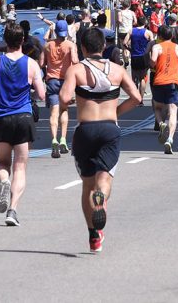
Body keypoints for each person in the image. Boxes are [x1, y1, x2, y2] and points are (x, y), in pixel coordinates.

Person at [59, 27, 142, 252]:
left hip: (85, 130)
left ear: (82, 47)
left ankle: (93, 235)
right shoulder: (117, 70)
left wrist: (76, 98)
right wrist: (115, 112)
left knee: (87, 184)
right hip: (109, 128)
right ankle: (101, 198)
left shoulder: (76, 70)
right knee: (103, 179)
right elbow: (136, 97)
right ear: (103, 46)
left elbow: (65, 98)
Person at [0, 22, 46, 227]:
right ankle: (13, 210)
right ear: (22, 41)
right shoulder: (31, 64)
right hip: (23, 117)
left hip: (2, 116)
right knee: (20, 166)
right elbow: (41, 93)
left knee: (3, 163)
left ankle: (4, 182)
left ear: (5, 42)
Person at [149, 25, 178, 154]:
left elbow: (153, 61)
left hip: (159, 81)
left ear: (159, 36)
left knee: (157, 107)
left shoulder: (157, 47)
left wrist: (152, 64)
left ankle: (161, 124)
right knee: (173, 111)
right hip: (173, 82)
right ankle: (170, 139)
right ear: (172, 36)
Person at [43, 19, 78, 158]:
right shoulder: (70, 45)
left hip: (52, 80)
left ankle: (54, 139)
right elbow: (75, 61)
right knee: (64, 109)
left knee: (54, 112)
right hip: (66, 81)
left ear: (55, 31)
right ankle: (63, 139)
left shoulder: (47, 45)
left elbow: (41, 62)